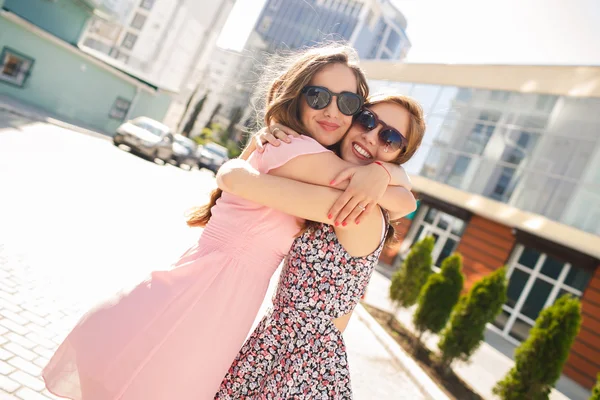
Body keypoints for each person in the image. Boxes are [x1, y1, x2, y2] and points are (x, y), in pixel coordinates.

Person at [42, 45, 414, 400]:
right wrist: (388, 175)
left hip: (210, 312)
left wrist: (384, 174)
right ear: (297, 96)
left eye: (348, 103)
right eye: (319, 97)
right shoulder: (295, 150)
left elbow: (387, 203)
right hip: (197, 309)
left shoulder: (293, 150)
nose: (333, 110)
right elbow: (363, 200)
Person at [214, 94, 426, 399]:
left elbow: (236, 180)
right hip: (276, 348)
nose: (370, 135)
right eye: (367, 120)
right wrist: (389, 176)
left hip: (302, 367)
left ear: (399, 155)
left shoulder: (360, 210)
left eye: (389, 137)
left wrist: (266, 148)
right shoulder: (359, 194)